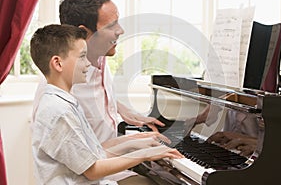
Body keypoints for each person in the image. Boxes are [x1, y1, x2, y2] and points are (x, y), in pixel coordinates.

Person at [30, 24, 183, 185]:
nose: (88, 64)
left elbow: (95, 154)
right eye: (82, 57)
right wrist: (145, 154)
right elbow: (93, 170)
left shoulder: (64, 102)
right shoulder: (59, 111)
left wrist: (135, 143)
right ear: (58, 63)